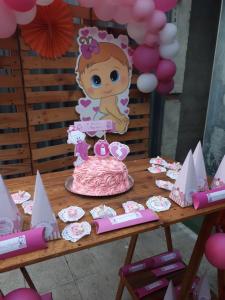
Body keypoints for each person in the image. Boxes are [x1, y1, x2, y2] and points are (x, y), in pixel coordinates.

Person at [76, 37, 131, 133]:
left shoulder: (112, 97)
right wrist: (120, 117)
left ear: (128, 71)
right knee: (118, 123)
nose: (107, 86)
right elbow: (110, 110)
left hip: (106, 117)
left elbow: (114, 110)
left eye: (114, 76)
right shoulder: (108, 98)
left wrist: (120, 117)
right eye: (96, 80)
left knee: (120, 123)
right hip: (101, 117)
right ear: (81, 82)